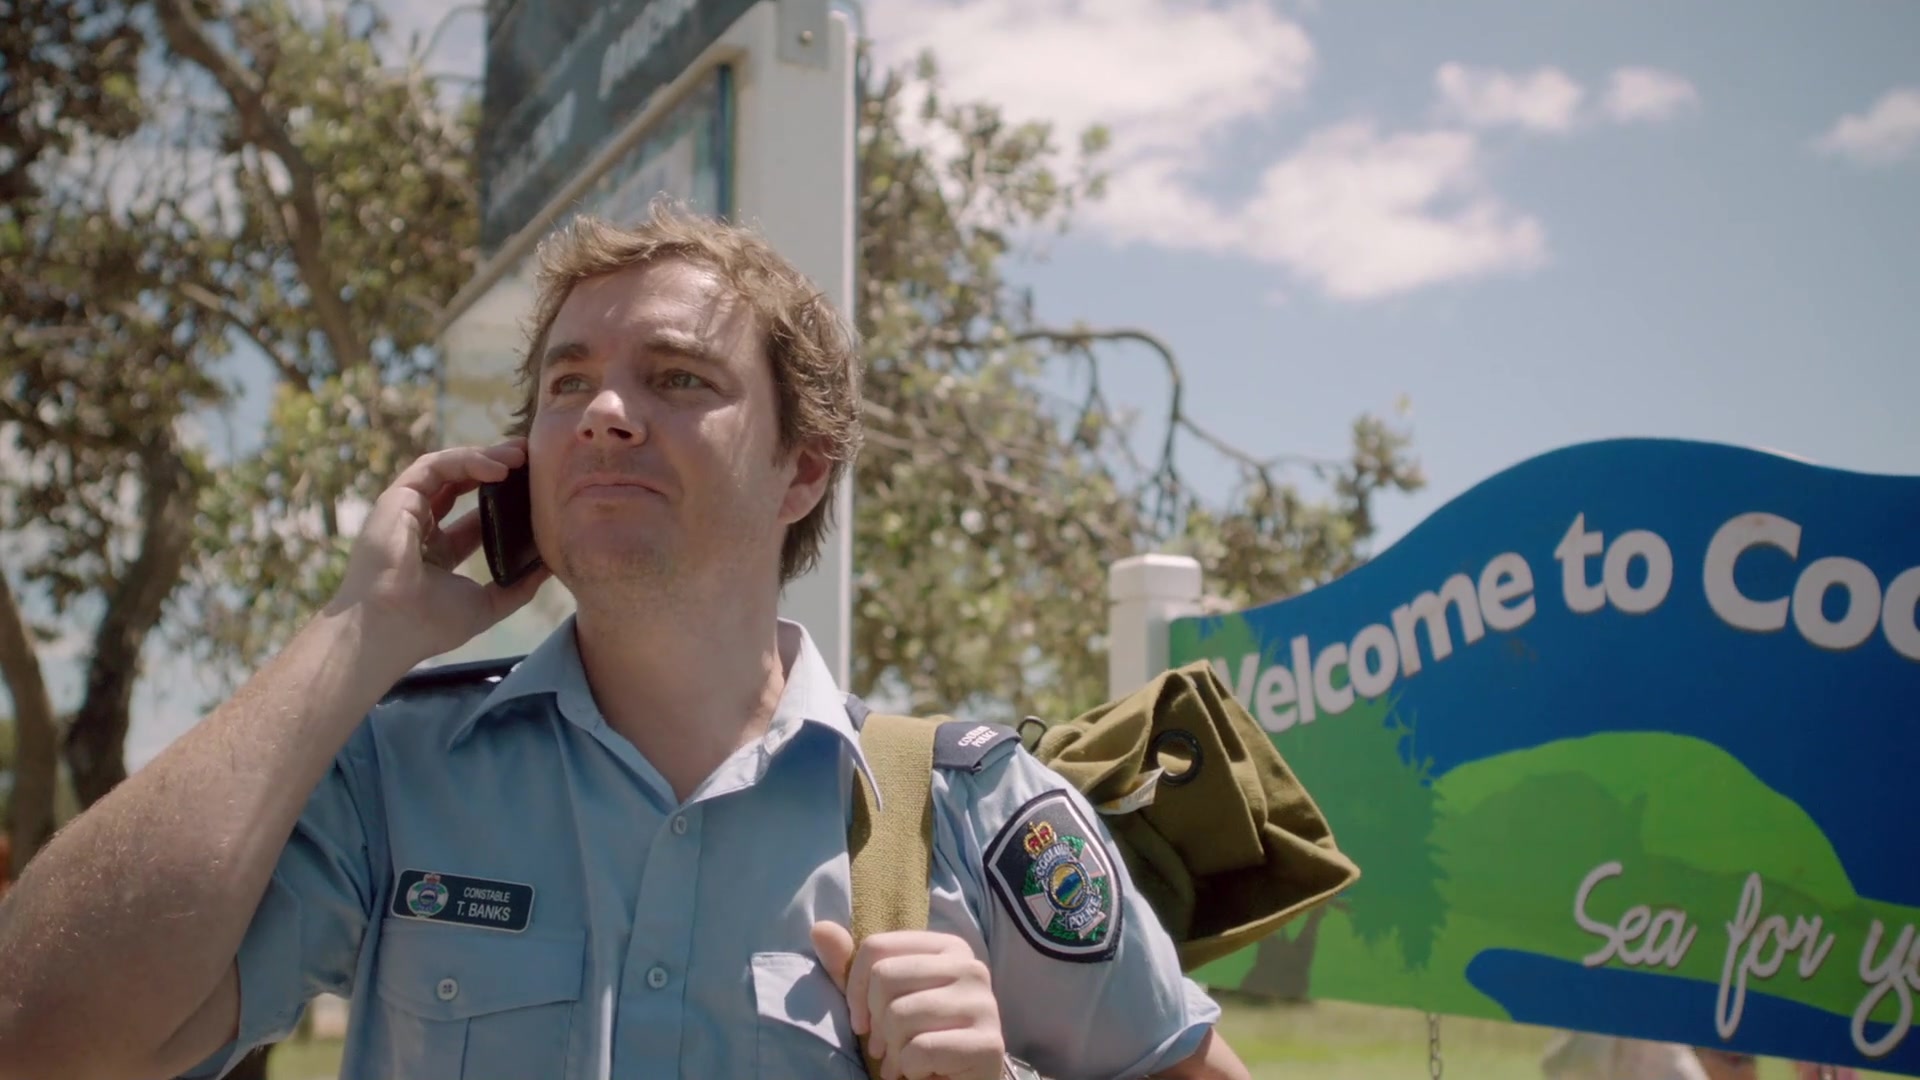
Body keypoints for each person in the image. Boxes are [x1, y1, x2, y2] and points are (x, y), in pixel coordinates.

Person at [0, 202, 1248, 1080]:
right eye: (565, 383)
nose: (603, 410)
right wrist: (356, 632)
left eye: (679, 378)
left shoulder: (977, 811)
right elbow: (39, 1038)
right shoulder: (391, 778)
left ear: (803, 469)